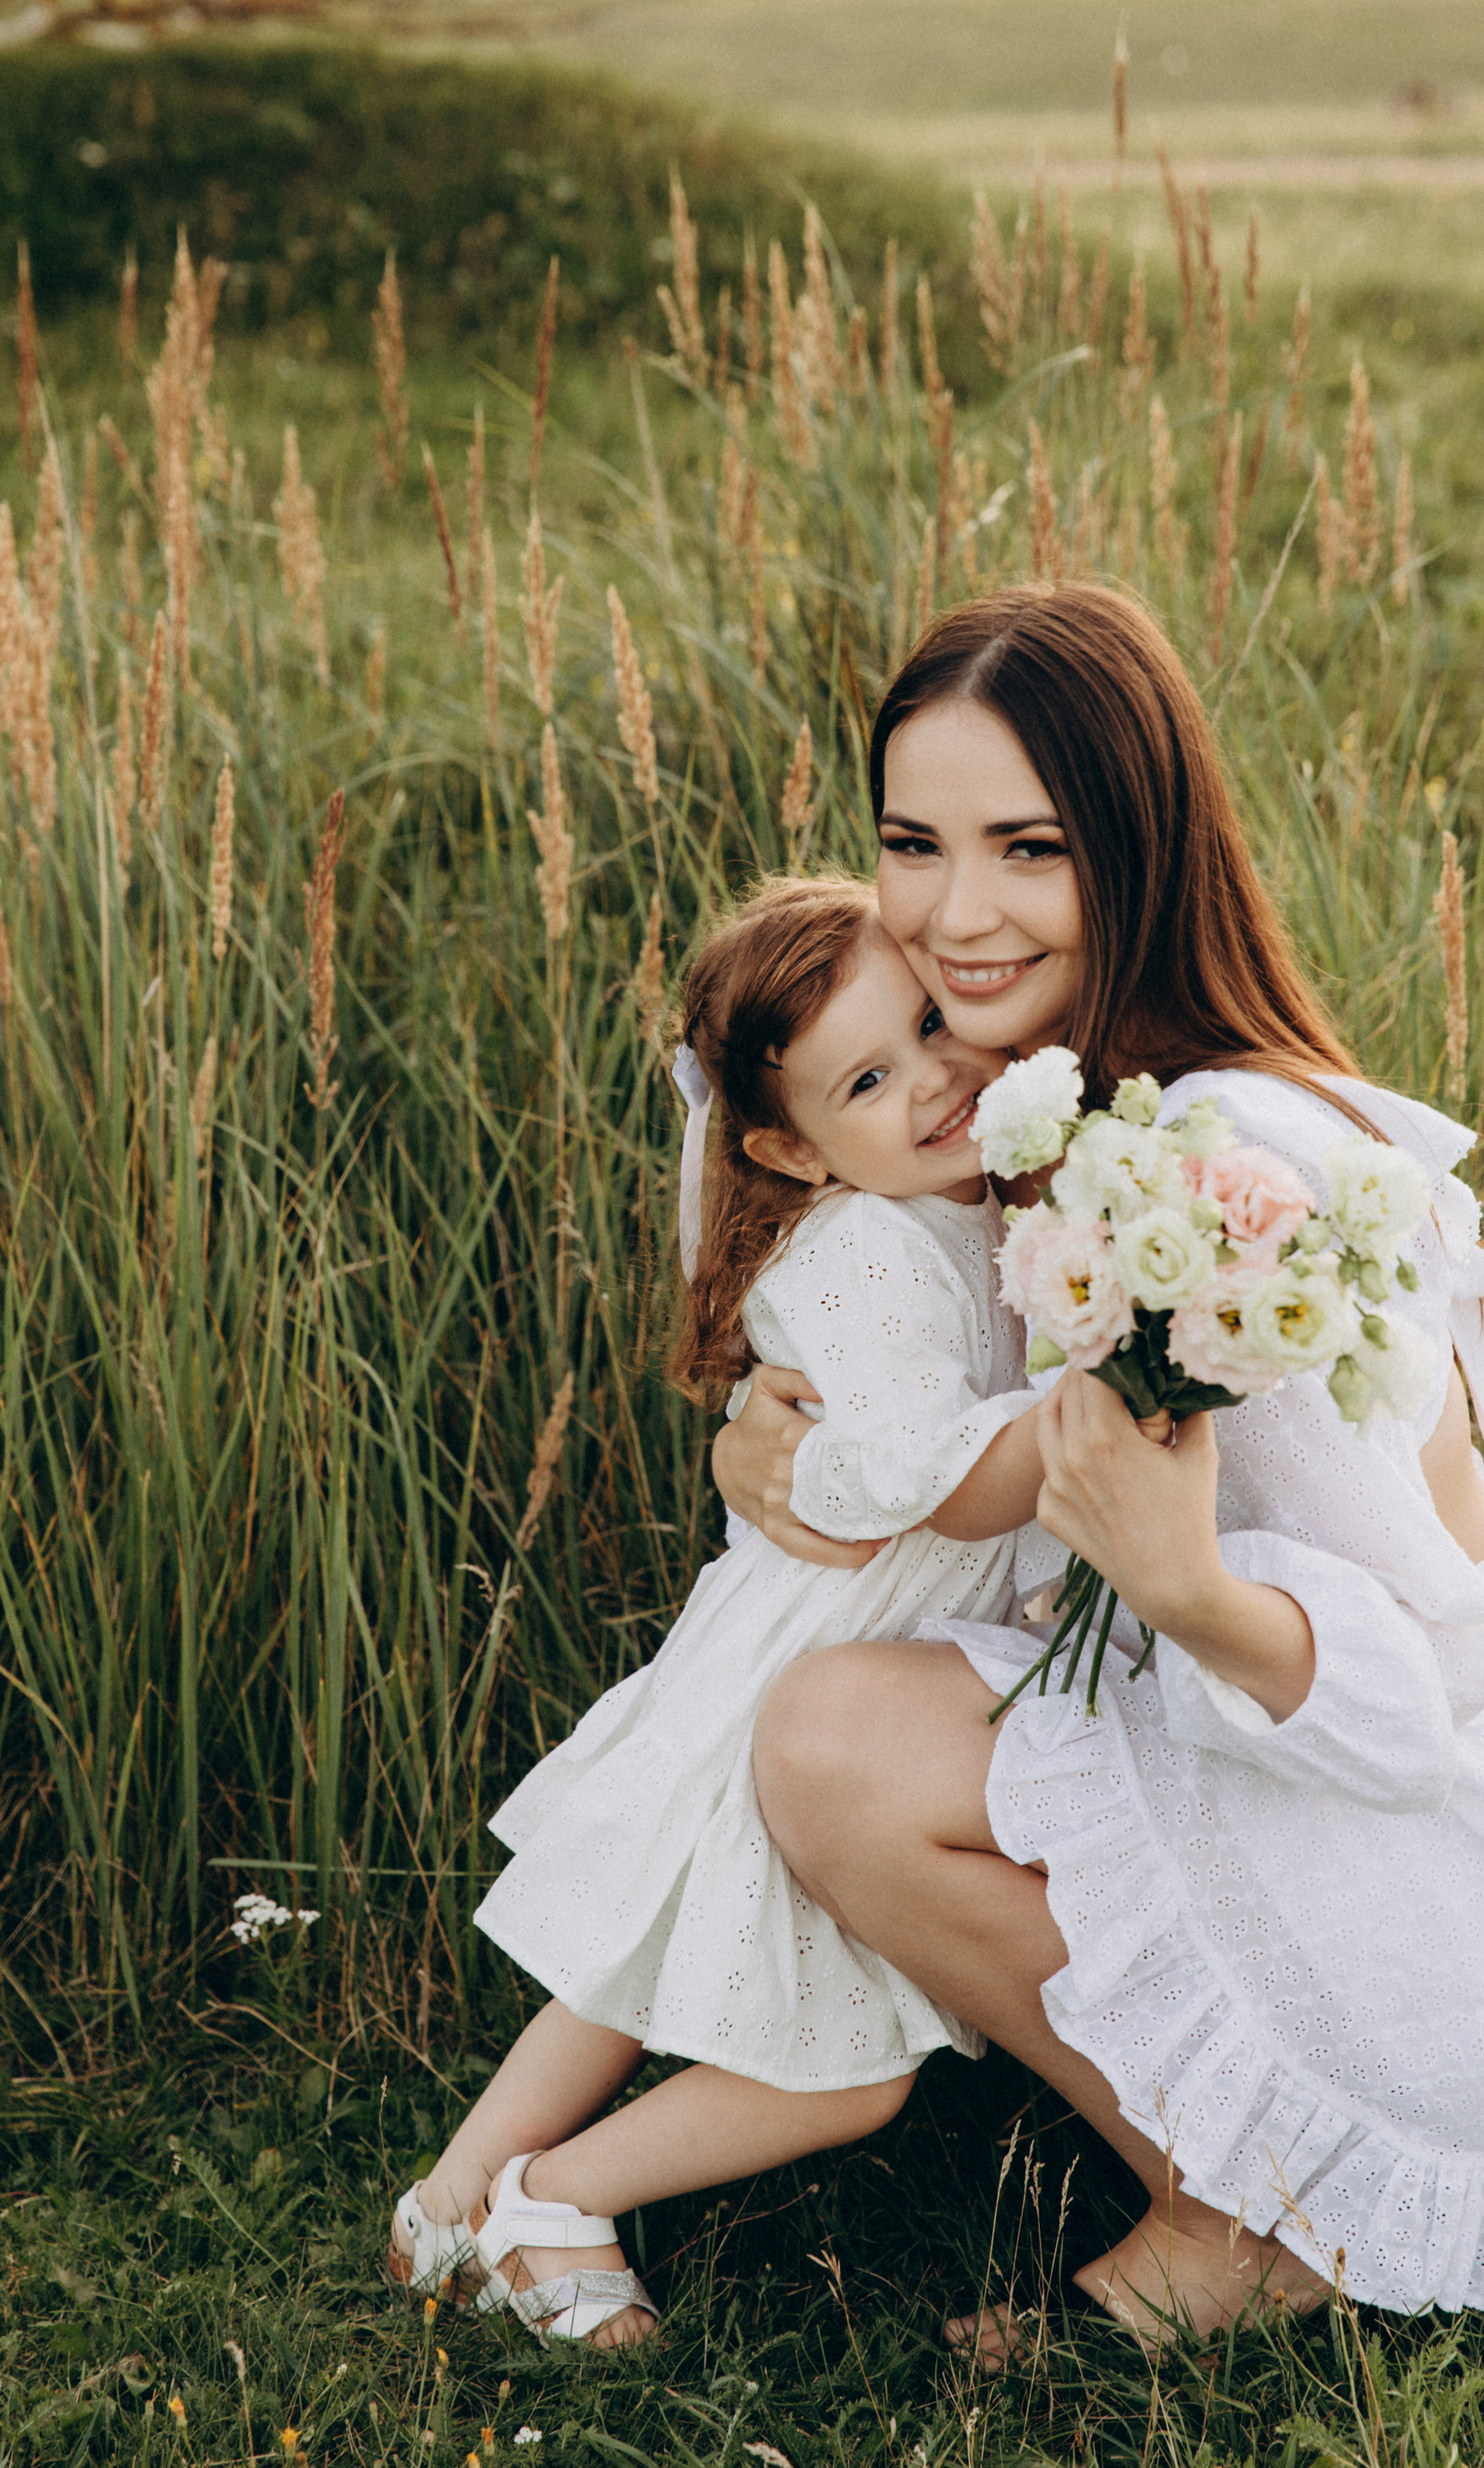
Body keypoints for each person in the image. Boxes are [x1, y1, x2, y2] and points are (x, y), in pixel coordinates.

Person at [718, 584, 1484, 2356]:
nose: (950, 915)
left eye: (1027, 848)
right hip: (1315, 1761)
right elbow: (906, 1375)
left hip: (1466, 1878)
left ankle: (1259, 2219)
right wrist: (764, 1429)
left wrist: (1185, 1592)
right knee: (839, 1721)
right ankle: (1234, 2168)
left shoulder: (1220, 1165)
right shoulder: (1035, 1107)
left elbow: (1433, 1682)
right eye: (910, 845)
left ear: (1134, 845)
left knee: (833, 1745)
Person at [388, 873, 1068, 2348]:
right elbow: (910, 1462)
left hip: (797, 1659)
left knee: (639, 1951)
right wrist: (1074, 1412)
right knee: (848, 2063)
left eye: (932, 1028)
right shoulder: (866, 1253)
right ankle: (552, 2196)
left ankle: (444, 2204)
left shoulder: (960, 1204)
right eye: (871, 1079)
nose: (939, 1079)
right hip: (819, 1680)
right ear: (788, 1148)